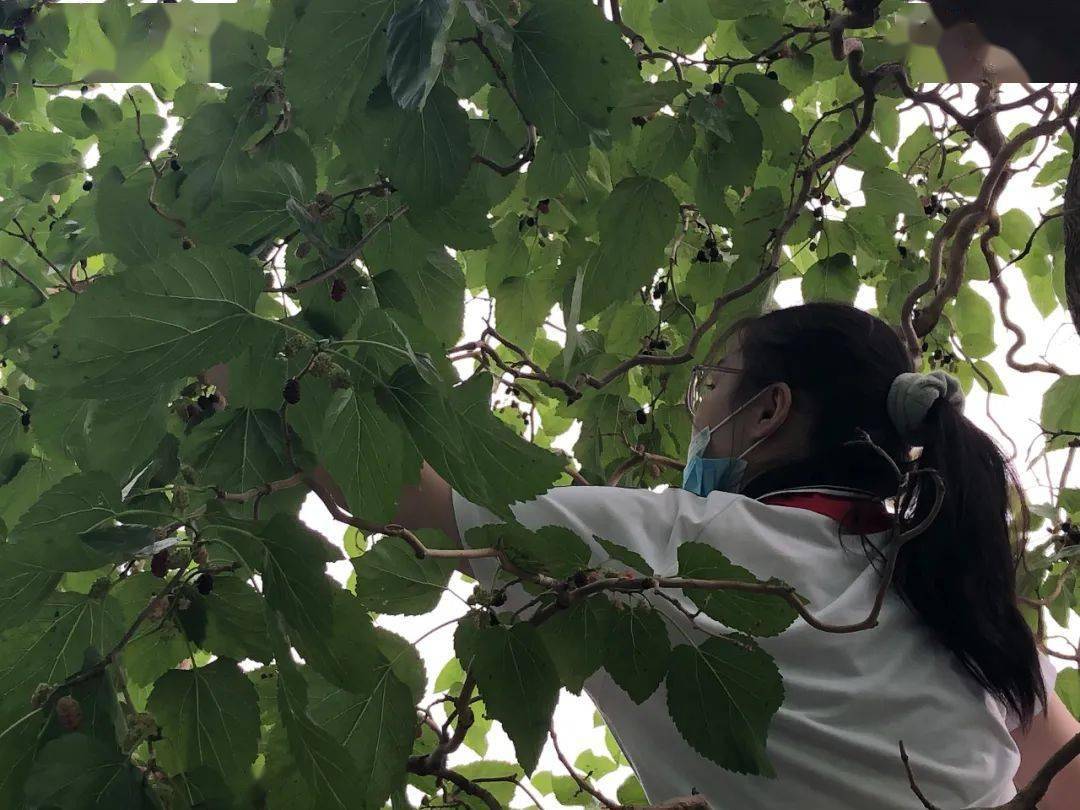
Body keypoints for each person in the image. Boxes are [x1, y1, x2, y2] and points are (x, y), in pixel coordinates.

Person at [391, 302, 1080, 809]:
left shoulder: (679, 546)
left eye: (709, 386)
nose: (695, 416)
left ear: (767, 411)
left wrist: (301, 372)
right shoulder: (972, 615)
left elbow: (406, 496)